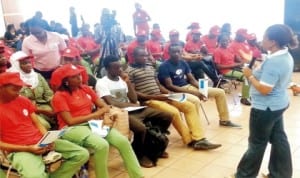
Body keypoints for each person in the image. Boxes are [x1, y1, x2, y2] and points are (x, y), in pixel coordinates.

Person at [50, 64, 143, 178]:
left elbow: (103, 105)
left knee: (123, 141)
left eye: (79, 74)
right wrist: (95, 114)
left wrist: (100, 111)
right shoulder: (59, 96)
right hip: (72, 128)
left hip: (92, 123)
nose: (79, 77)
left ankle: (137, 175)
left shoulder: (85, 88)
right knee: (101, 145)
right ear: (65, 81)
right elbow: (70, 121)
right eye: (74, 76)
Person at [229, 24, 296, 178]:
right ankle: (280, 174)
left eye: (264, 37)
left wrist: (249, 75)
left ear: (272, 41)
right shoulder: (284, 55)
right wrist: (257, 68)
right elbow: (271, 74)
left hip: (265, 108)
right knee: (279, 139)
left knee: (257, 143)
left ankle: (244, 175)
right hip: (278, 105)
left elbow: (265, 89)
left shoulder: (274, 61)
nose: (261, 40)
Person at [127, 46, 222, 150]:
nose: (145, 58)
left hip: (162, 96)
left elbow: (159, 85)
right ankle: (190, 140)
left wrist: (169, 94)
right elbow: (134, 93)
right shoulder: (130, 71)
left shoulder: (150, 66)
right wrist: (157, 97)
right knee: (174, 112)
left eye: (146, 55)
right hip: (149, 100)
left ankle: (199, 139)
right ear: (134, 56)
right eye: (141, 56)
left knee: (189, 106)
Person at [0, 72, 89, 178]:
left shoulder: (23, 100)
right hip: (20, 150)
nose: (18, 93)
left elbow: (37, 123)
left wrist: (47, 138)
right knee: (35, 176)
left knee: (81, 154)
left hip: (40, 142)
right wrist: (29, 148)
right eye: (14, 89)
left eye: (20, 89)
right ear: (1, 87)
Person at [96, 55, 172, 167]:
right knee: (140, 129)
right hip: (118, 113)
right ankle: (139, 155)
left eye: (120, 67)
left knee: (167, 116)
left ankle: (153, 145)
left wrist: (128, 83)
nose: (120, 70)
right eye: (116, 68)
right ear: (107, 69)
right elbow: (112, 103)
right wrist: (132, 105)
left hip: (133, 109)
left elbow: (134, 98)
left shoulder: (122, 80)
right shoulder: (102, 83)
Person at [158, 43, 241, 128]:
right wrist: (194, 92)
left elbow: (192, 80)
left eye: (178, 52)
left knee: (220, 92)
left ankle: (224, 120)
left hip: (188, 87)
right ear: (169, 52)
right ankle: (195, 128)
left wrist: (203, 90)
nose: (176, 54)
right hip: (176, 92)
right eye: (173, 52)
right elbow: (170, 86)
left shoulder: (183, 63)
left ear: (181, 52)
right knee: (195, 100)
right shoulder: (164, 66)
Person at [8, 51, 56, 129]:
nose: (29, 65)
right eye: (24, 63)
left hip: (43, 105)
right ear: (16, 66)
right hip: (26, 111)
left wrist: (55, 107)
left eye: (29, 62)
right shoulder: (13, 82)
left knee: (60, 115)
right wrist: (42, 111)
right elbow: (19, 104)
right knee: (45, 126)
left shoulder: (37, 76)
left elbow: (49, 95)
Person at [213, 34, 251, 106]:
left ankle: (248, 94)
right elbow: (218, 67)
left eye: (227, 41)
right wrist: (235, 65)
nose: (225, 42)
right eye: (223, 41)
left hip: (234, 68)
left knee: (252, 74)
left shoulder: (230, 49)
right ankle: (244, 98)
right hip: (225, 71)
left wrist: (242, 62)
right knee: (246, 77)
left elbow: (236, 57)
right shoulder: (217, 51)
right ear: (219, 41)